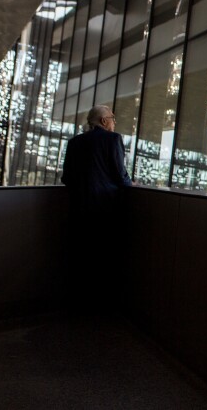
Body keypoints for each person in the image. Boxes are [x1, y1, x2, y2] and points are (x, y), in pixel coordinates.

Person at [61, 105, 132, 311]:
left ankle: (80, 304)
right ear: (103, 121)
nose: (114, 122)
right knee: (104, 259)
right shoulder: (113, 139)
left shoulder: (74, 143)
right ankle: (102, 307)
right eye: (112, 118)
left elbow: (66, 178)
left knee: (81, 258)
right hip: (106, 210)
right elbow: (121, 174)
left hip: (79, 210)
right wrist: (130, 185)